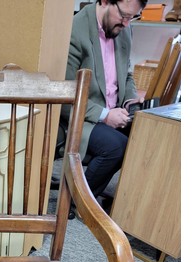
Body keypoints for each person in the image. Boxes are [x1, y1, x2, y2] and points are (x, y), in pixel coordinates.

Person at [59, 0, 147, 215]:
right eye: (124, 16)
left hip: (114, 109)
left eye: (132, 17)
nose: (127, 23)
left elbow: (126, 75)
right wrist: (106, 115)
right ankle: (75, 201)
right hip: (80, 116)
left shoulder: (123, 30)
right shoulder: (74, 31)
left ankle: (130, 208)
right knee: (117, 147)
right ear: (105, 1)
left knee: (146, 137)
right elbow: (65, 95)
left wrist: (131, 101)